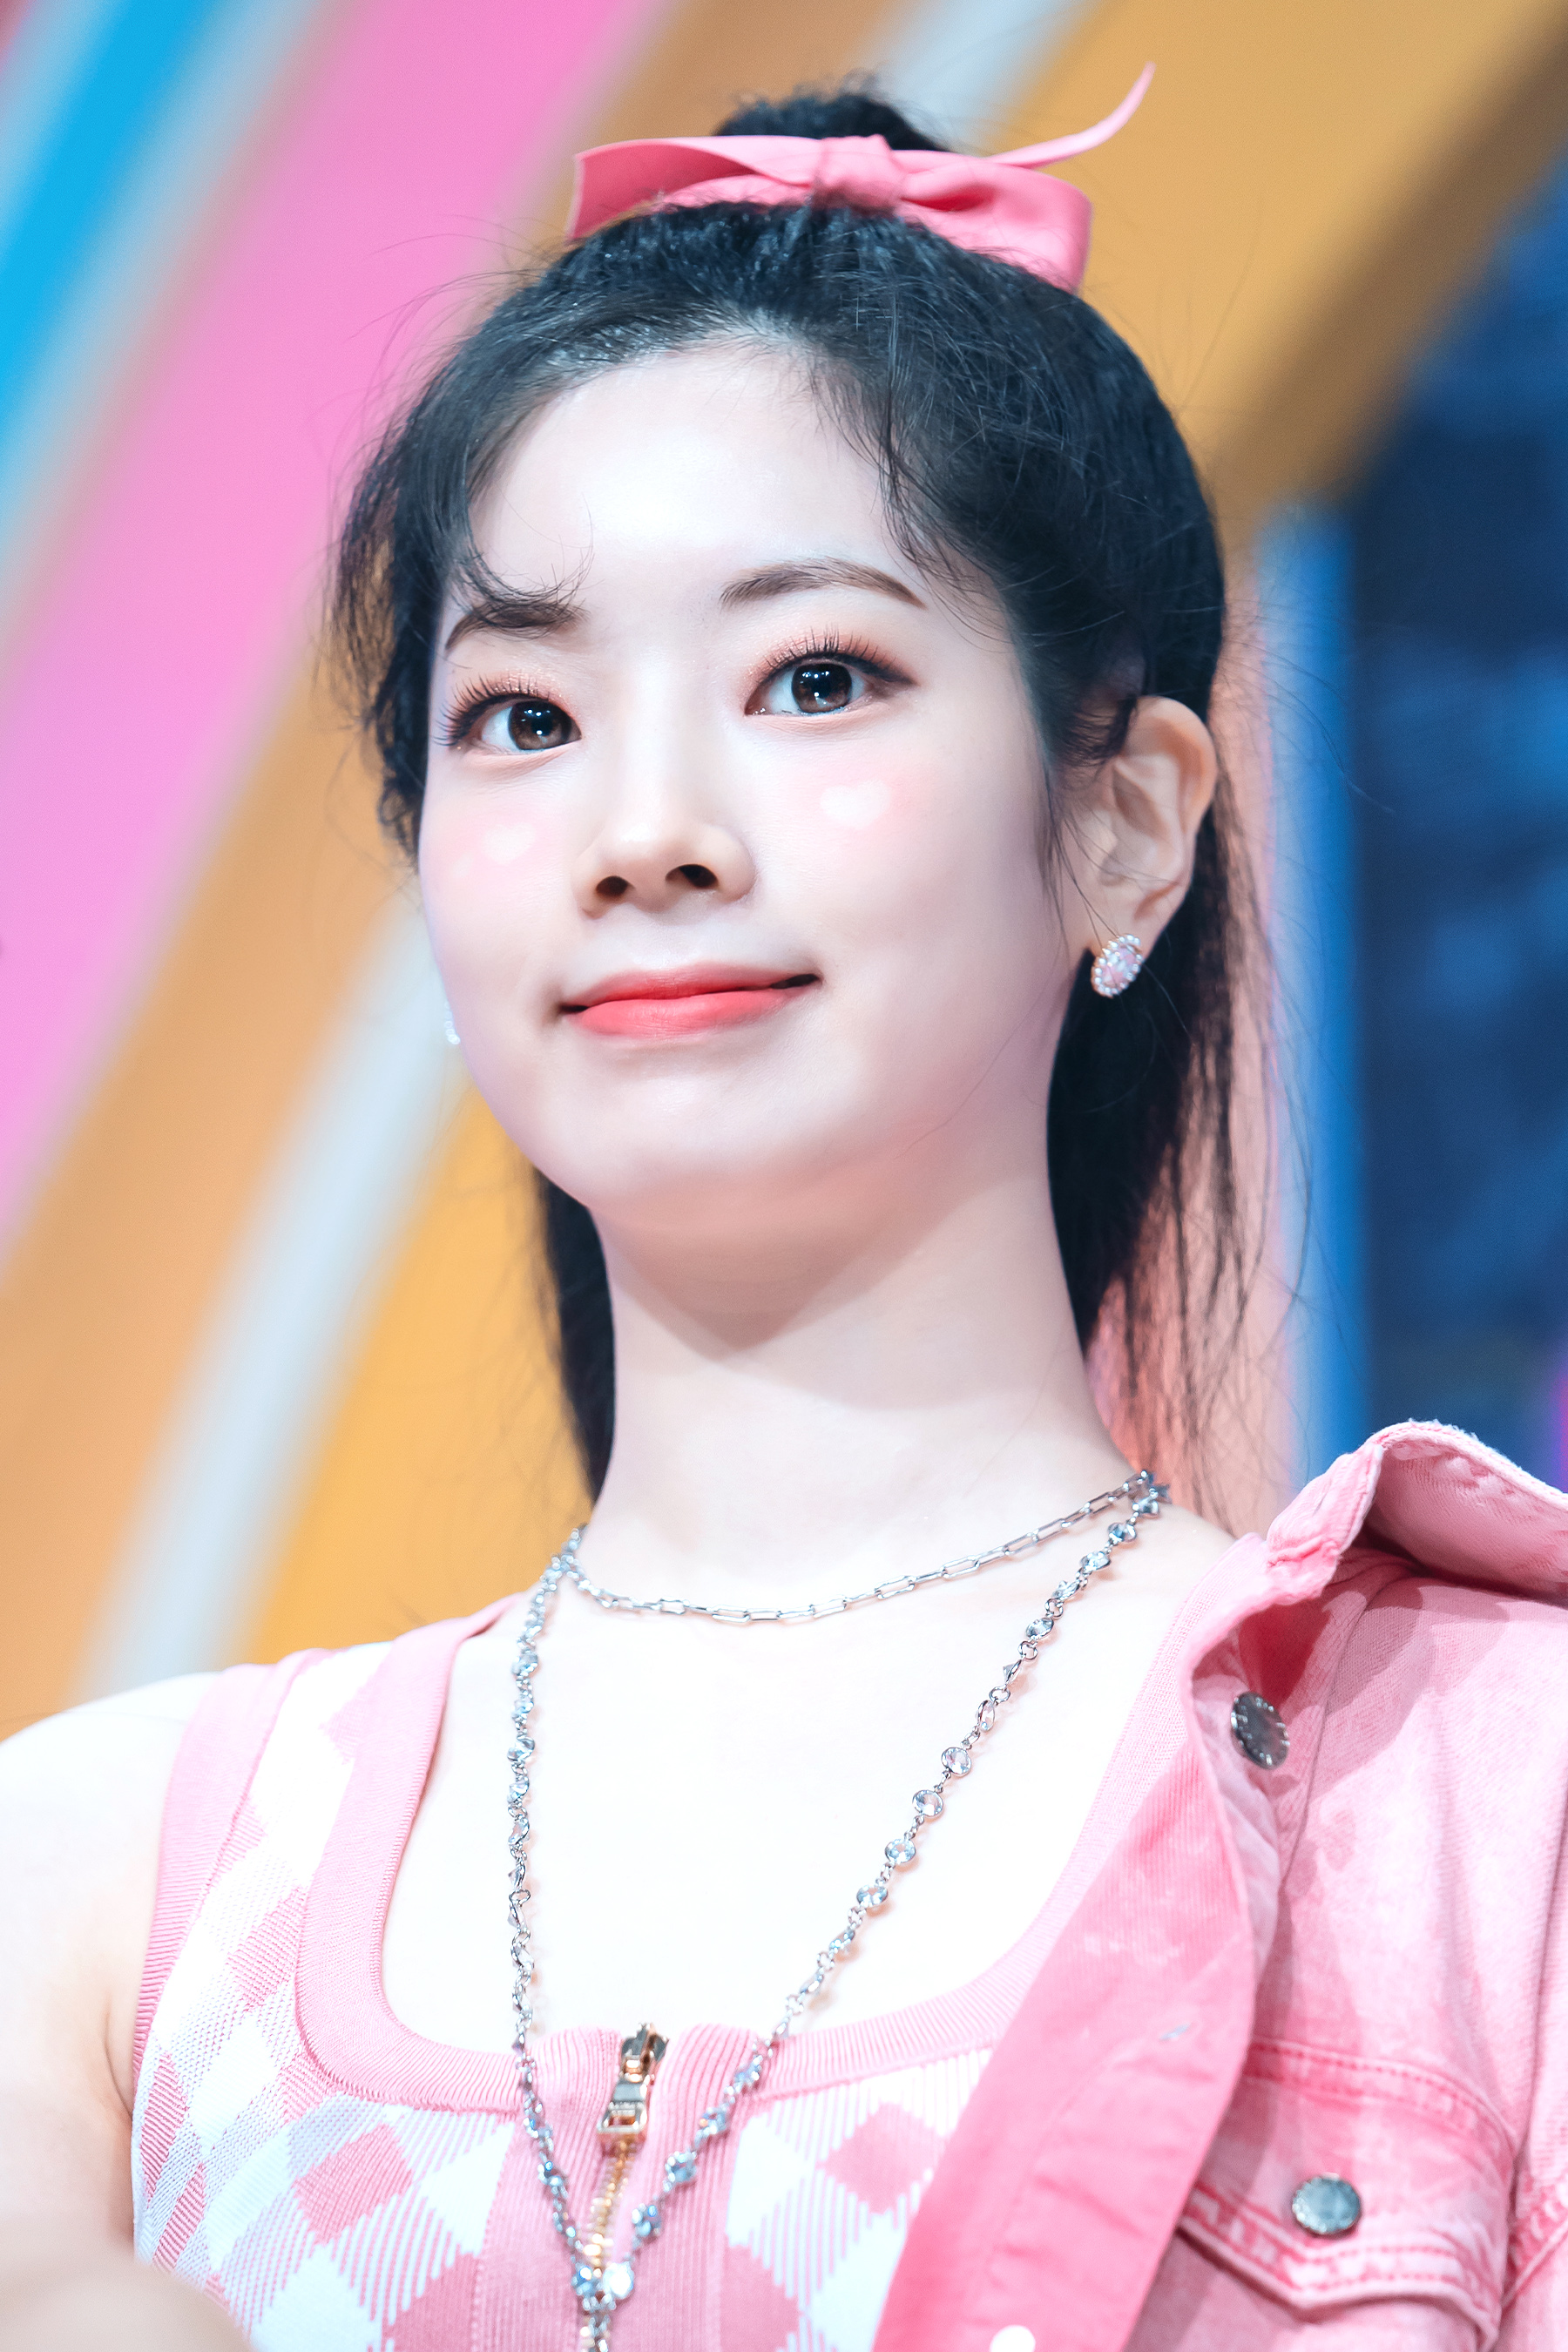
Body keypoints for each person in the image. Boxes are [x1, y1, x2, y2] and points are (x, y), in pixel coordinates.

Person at [3, 76, 1565, 2352]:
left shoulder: (1493, 1800)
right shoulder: (100, 1876)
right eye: (521, 715)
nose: (646, 827)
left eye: (815, 678)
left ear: (1125, 824)